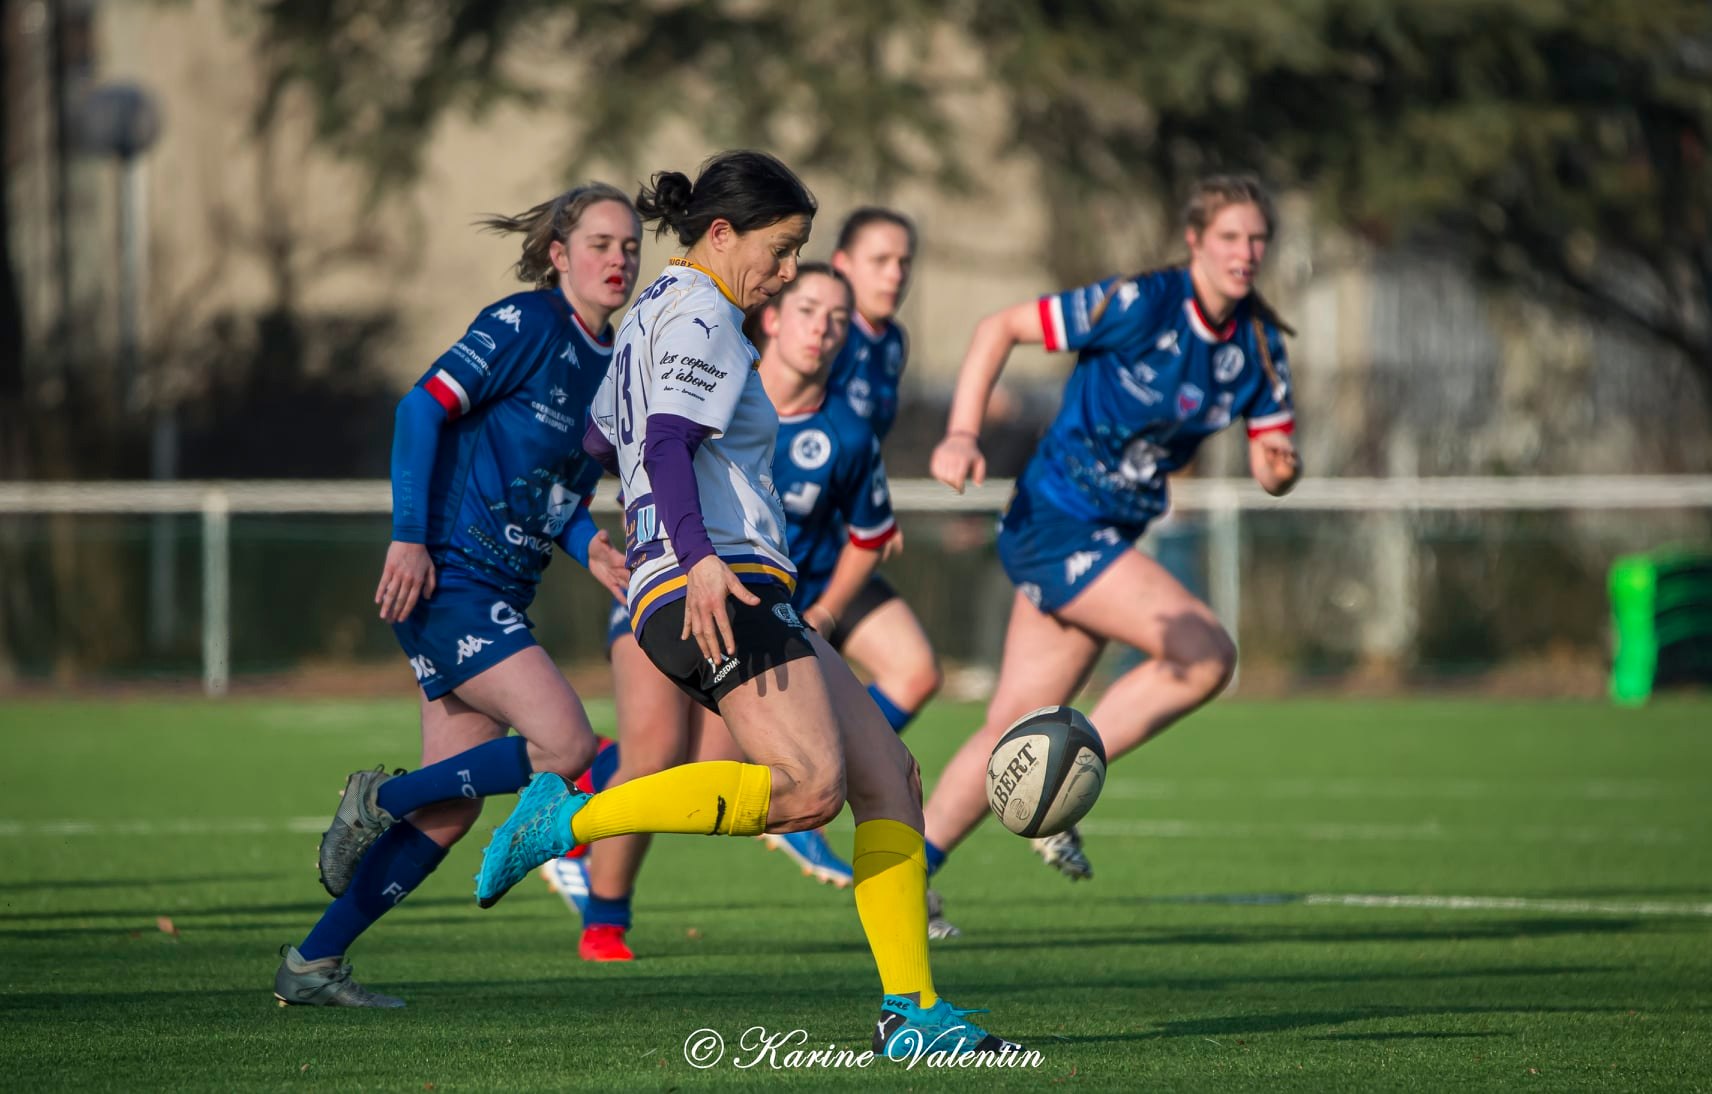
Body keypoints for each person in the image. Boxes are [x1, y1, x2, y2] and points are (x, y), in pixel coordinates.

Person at [473, 150, 1020, 1057]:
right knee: (808, 790)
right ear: (722, 234)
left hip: (730, 580)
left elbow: (604, 439)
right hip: (716, 583)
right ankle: (565, 820)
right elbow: (666, 441)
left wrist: (642, 524)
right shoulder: (700, 312)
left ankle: (914, 1014)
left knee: (890, 775)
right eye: (782, 248)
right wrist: (693, 556)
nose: (789, 269)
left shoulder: (656, 310)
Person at [272, 183, 641, 1007]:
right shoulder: (526, 323)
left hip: (498, 587)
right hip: (448, 579)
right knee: (567, 746)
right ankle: (378, 797)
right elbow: (420, 408)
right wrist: (408, 535)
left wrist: (589, 548)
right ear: (559, 254)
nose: (618, 259)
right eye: (601, 243)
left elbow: (557, 494)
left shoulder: (612, 362)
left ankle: (312, 963)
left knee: (448, 810)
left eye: (630, 247)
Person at [919, 174, 1302, 938]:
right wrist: (962, 433)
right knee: (1204, 654)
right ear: (1195, 241)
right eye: (1230, 237)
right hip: (1055, 518)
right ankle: (1059, 778)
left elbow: (1273, 459)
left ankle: (902, 874)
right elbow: (999, 326)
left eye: (1257, 238)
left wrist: (1279, 467)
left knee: (1008, 730)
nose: (1246, 252)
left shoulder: (1258, 345)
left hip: (1105, 536)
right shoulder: (1140, 304)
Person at [821, 209, 943, 735]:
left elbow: (862, 447)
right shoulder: (821, 334)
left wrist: (872, 511)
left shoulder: (891, 342)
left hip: (836, 549)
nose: (896, 274)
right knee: (682, 750)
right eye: (880, 260)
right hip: (781, 544)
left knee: (914, 673)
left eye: (904, 262)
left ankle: (839, 768)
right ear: (842, 264)